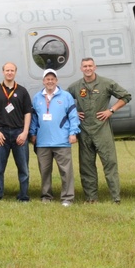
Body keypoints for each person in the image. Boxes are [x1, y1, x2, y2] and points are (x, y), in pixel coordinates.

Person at [67, 57, 132, 203]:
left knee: (110, 164)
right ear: (81, 68)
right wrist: (74, 113)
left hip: (102, 130)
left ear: (95, 67)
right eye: (85, 66)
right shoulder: (76, 86)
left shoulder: (106, 83)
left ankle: (116, 198)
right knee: (86, 166)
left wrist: (111, 110)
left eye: (90, 66)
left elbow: (126, 96)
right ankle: (91, 198)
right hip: (84, 131)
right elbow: (63, 101)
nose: (88, 68)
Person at [29, 69, 80, 205]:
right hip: (42, 142)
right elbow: (34, 118)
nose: (50, 81)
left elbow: (73, 116)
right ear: (43, 81)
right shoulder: (37, 97)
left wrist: (73, 132)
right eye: (47, 79)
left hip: (62, 140)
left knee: (66, 171)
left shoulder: (66, 96)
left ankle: (67, 198)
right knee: (44, 171)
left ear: (56, 81)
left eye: (52, 79)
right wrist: (32, 133)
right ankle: (46, 196)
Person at [0, 62, 33, 201]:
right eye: (7, 70)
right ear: (3, 72)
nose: (9, 72)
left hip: (19, 132)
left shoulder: (22, 91)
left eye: (12, 70)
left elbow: (28, 113)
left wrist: (25, 133)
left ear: (15, 72)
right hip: (2, 133)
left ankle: (23, 196)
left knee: (23, 168)